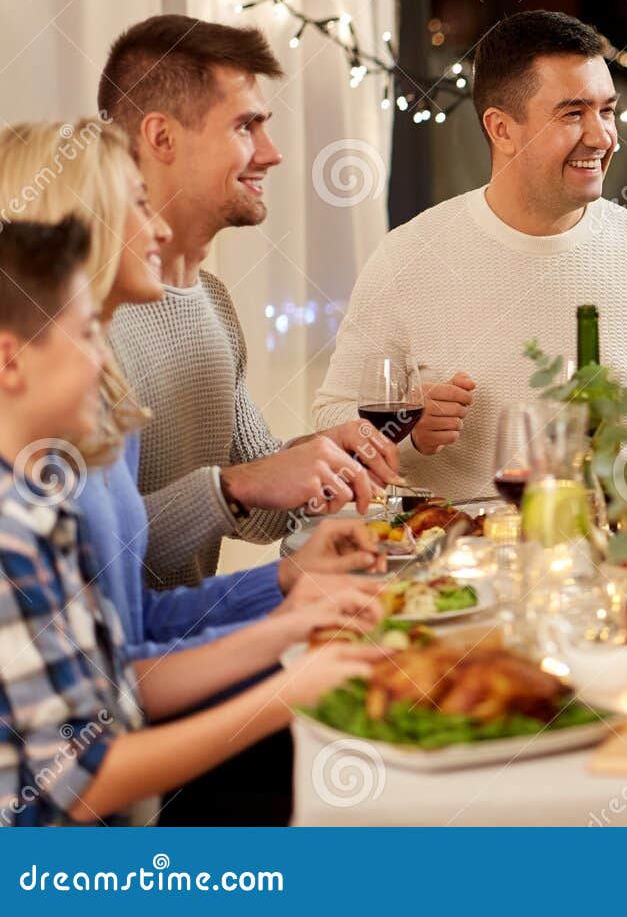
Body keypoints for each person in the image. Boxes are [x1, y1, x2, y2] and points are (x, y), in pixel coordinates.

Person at [0, 217, 380, 827]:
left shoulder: (42, 508)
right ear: (11, 361)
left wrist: (294, 623)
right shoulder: (12, 532)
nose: (105, 365)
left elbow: (120, 679)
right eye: (87, 337)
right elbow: (78, 785)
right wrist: (287, 691)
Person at [314, 10, 627, 500]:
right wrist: (408, 429)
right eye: (572, 114)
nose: (602, 136)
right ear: (502, 130)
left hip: (610, 552)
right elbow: (333, 415)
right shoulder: (408, 255)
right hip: (452, 556)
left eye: (606, 110)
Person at [0, 120, 385, 660]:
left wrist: (291, 578)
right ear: (78, 222)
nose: (158, 228)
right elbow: (115, 693)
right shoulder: (48, 415)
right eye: (137, 204)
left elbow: (135, 622)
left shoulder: (110, 386)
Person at [99, 15, 401, 588]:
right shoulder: (81, 312)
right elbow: (87, 547)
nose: (272, 153)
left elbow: (262, 511)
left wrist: (326, 452)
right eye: (246, 127)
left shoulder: (211, 300)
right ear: (161, 138)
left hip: (192, 640)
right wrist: (243, 485)